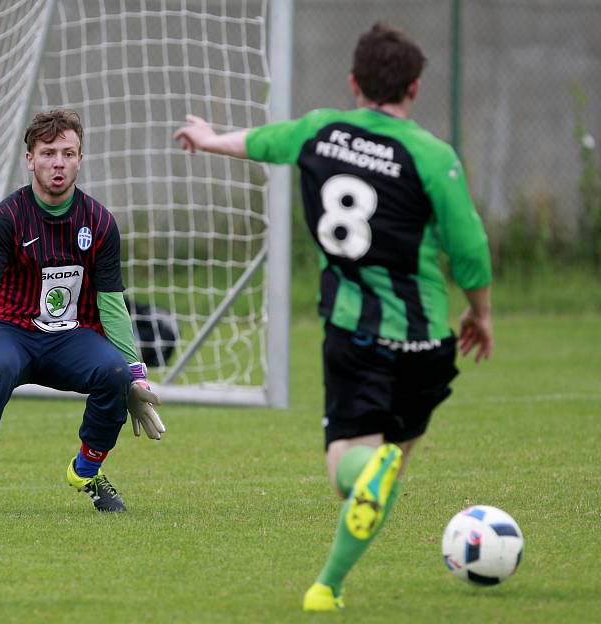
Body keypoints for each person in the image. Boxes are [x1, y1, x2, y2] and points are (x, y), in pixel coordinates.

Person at [174, 22, 492, 612]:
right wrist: (481, 315)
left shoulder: (321, 130)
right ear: (416, 89)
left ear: (353, 81)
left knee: (354, 468)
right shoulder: (431, 154)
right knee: (386, 471)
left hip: (357, 335)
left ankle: (348, 523)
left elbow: (264, 142)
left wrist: (210, 138)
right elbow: (469, 250)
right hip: (426, 345)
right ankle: (329, 586)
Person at [0, 108, 165, 515]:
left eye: (67, 153)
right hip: (10, 330)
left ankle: (87, 470)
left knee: (112, 372)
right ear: (30, 159)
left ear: (80, 158)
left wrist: (134, 370)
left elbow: (112, 304)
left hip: (71, 336)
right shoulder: (6, 218)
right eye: (47, 153)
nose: (57, 163)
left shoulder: (99, 222)